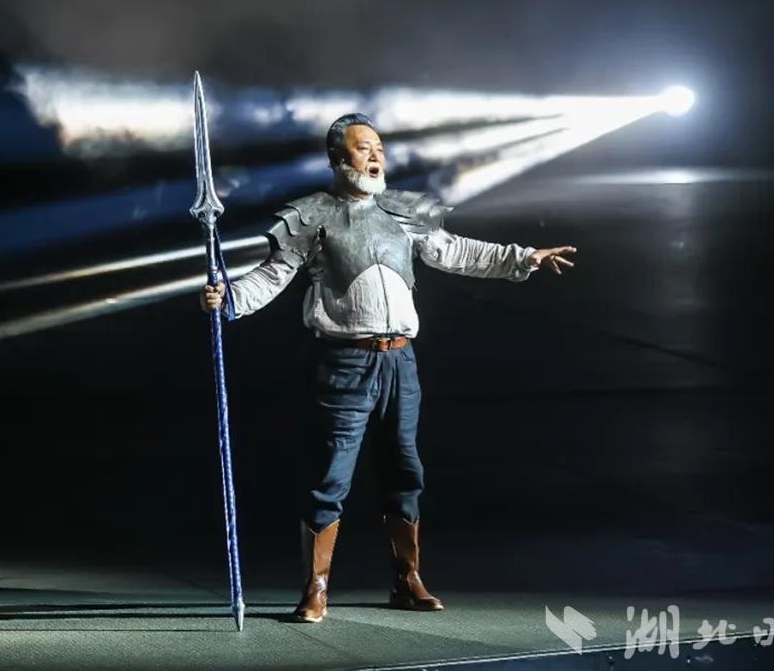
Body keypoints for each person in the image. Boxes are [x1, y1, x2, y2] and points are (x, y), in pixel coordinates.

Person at [199, 113, 577, 624]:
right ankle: (316, 587)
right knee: (331, 475)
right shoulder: (312, 217)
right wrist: (228, 297)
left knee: (404, 469)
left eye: (378, 147)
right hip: (344, 364)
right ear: (338, 158)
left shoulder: (404, 212)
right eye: (363, 148)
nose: (375, 156)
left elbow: (456, 252)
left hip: (400, 360)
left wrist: (524, 257)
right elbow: (272, 276)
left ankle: (407, 579)